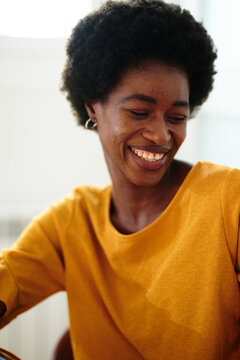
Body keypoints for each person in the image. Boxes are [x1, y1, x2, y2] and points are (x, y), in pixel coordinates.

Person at [1, 0, 240, 359]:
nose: (161, 136)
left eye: (177, 117)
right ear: (93, 107)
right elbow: (11, 277)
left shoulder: (228, 200)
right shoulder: (73, 221)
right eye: (139, 112)